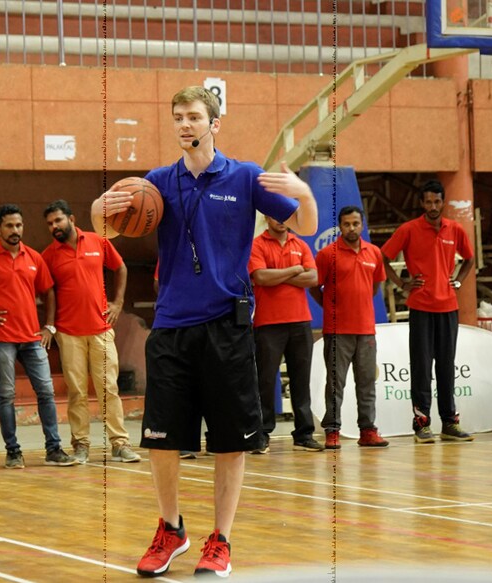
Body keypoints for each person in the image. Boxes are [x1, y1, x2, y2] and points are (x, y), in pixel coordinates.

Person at [91, 86, 316, 578]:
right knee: (162, 438)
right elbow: (106, 229)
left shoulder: (245, 176)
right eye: (178, 117)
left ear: (215, 123)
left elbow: (306, 222)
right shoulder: (156, 183)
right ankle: (171, 529)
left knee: (230, 440)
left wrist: (304, 193)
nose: (185, 125)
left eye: (194, 116)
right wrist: (99, 207)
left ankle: (221, 539)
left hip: (226, 327)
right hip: (171, 326)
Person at [0, 204, 79, 469]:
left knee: (46, 391)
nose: (15, 230)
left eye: (18, 225)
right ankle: (13, 452)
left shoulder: (34, 257)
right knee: (6, 395)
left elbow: (49, 292)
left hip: (32, 338)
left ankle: (54, 449)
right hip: (1, 338)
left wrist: (50, 326)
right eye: (9, 226)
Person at [41, 199, 140, 464]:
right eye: (50, 224)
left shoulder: (98, 241)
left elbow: (120, 267)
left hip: (101, 329)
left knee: (109, 388)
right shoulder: (48, 255)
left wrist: (118, 303)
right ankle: (81, 445)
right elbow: (46, 293)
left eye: (58, 220)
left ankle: (119, 444)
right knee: (76, 392)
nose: (54, 226)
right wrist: (50, 325)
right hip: (68, 332)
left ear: (71, 219)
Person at [381, 180, 475, 444]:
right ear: (422, 204)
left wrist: (457, 281)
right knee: (422, 367)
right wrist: (401, 284)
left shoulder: (455, 229)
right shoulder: (408, 230)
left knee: (446, 366)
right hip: (421, 307)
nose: (433, 207)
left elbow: (469, 259)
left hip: (448, 308)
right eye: (428, 202)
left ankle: (449, 424)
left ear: (443, 202)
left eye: (437, 201)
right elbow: (384, 257)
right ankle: (422, 425)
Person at [311, 206, 389, 450]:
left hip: (366, 330)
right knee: (336, 384)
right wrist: (332, 307)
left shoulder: (374, 253)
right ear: (340, 226)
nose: (351, 228)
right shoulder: (327, 255)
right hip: (337, 331)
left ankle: (367, 430)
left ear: (362, 225)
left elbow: (374, 286)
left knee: (366, 383)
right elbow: (315, 286)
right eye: (347, 224)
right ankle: (332, 431)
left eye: (356, 223)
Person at [248, 215, 323, 453]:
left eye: (285, 216)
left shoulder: (300, 244)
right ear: (267, 218)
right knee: (266, 381)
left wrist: (278, 275)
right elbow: (260, 277)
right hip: (268, 323)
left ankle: (304, 434)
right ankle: (262, 433)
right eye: (275, 215)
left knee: (301, 380)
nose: (280, 220)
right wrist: (294, 270)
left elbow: (313, 277)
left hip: (300, 322)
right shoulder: (257, 244)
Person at [154, 264, 197, 461]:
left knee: (208, 389)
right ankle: (182, 443)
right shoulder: (172, 246)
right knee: (180, 390)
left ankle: (215, 440)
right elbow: (157, 282)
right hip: (175, 322)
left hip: (211, 321)